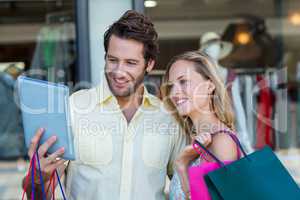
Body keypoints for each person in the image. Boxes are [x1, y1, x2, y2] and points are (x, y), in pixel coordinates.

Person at [22, 10, 187, 200]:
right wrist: (38, 178)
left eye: (130, 63)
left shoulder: (168, 117)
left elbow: (183, 188)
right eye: (112, 60)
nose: (119, 71)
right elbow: (41, 191)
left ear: (149, 64)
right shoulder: (74, 108)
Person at [161, 51, 239, 199]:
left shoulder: (221, 141)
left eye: (183, 81)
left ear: (210, 86)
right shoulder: (192, 138)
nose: (175, 93)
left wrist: (182, 164)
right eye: (171, 85)